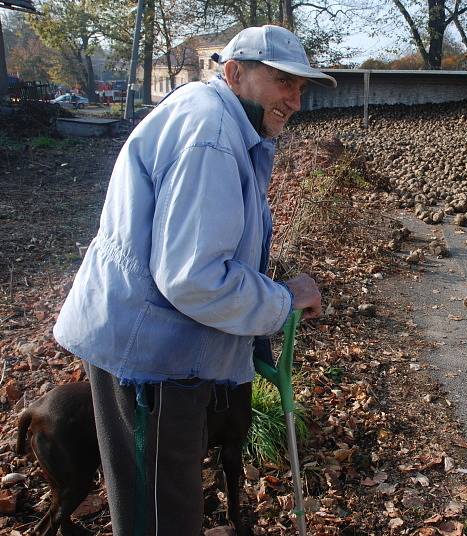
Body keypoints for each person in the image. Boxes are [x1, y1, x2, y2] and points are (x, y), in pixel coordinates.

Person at [53, 25, 334, 535]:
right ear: (234, 73)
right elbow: (193, 278)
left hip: (157, 349)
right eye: (282, 82)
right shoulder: (212, 137)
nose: (294, 99)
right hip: (151, 362)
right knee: (159, 520)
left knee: (163, 508)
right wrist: (283, 299)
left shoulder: (220, 124)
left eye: (301, 87)